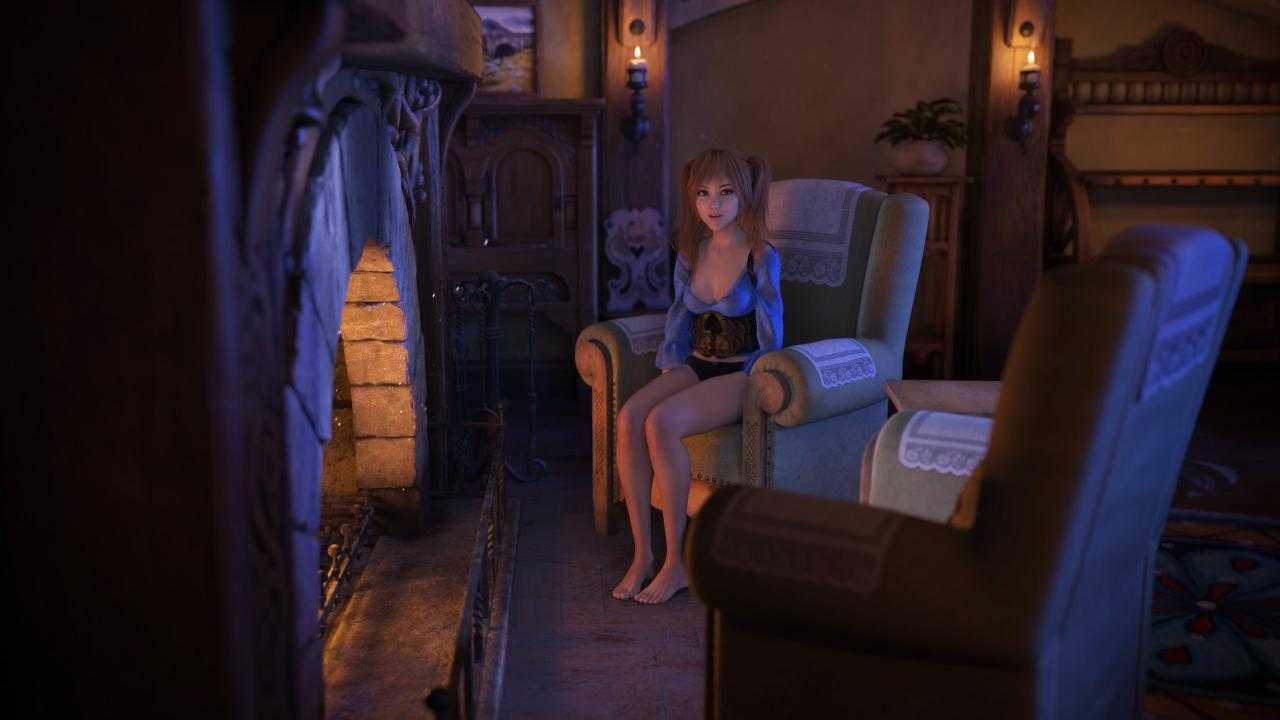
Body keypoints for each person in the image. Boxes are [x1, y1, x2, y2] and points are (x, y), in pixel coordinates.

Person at [612, 148, 783, 604]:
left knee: (660, 422)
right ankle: (642, 555)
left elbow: (772, 328)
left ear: (744, 194)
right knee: (629, 417)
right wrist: (671, 364)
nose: (714, 204)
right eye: (703, 194)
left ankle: (677, 563)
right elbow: (678, 318)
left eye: (725, 193)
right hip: (696, 361)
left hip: (742, 371)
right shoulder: (693, 251)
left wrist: (766, 381)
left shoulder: (761, 254)